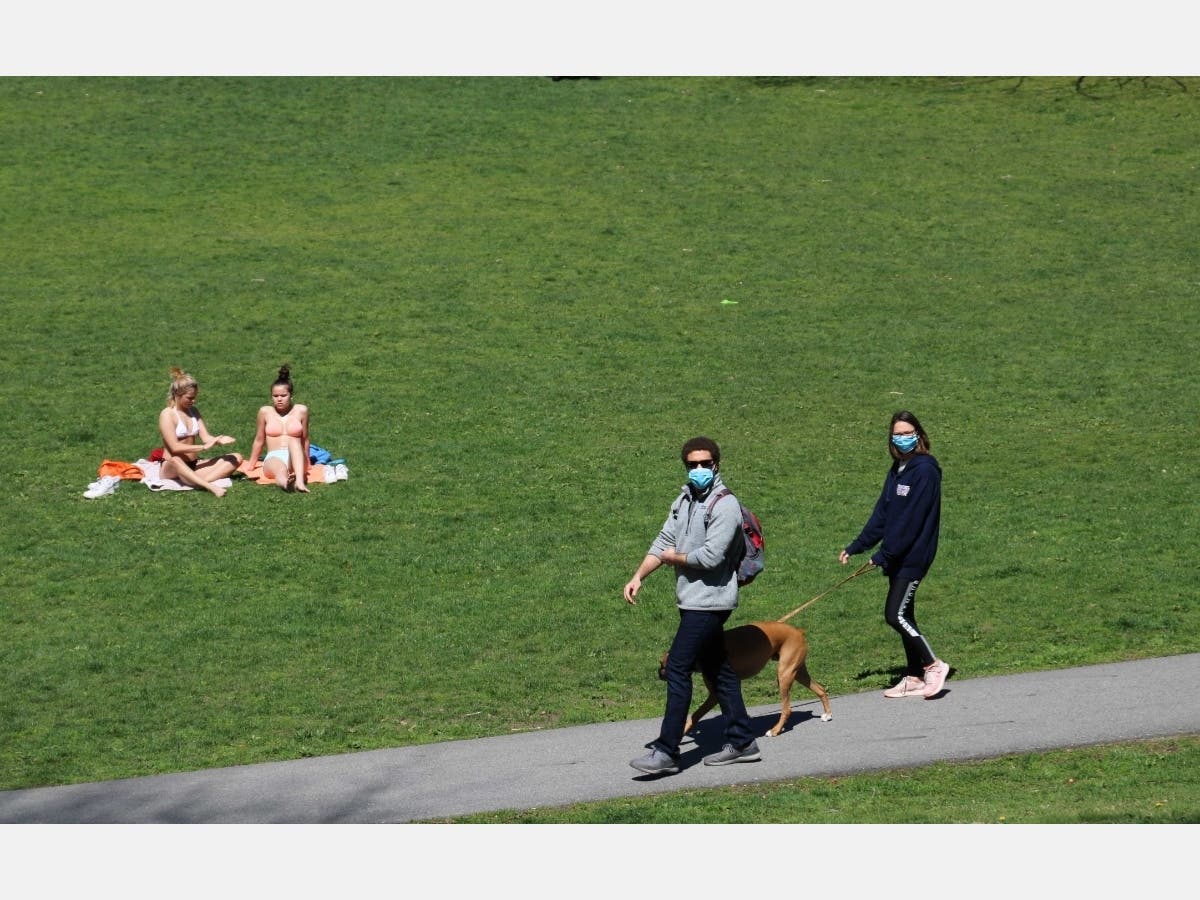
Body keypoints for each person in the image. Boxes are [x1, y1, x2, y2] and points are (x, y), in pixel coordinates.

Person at [624, 436, 760, 775]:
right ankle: (743, 741)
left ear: (716, 464)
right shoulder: (683, 500)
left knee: (678, 668)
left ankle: (667, 751)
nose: (698, 469)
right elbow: (663, 540)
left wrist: (674, 559)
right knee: (719, 670)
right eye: (692, 464)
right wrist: (639, 575)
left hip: (711, 602)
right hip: (691, 600)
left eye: (704, 463)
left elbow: (712, 556)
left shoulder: (725, 505)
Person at [839, 411, 950, 699]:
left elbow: (912, 521)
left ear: (919, 434)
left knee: (894, 614)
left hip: (913, 556)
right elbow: (884, 514)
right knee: (905, 614)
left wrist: (883, 555)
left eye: (907, 432)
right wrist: (857, 546)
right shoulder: (899, 468)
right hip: (898, 555)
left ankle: (933, 665)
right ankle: (913, 677)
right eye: (897, 434)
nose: (902, 438)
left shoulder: (925, 470)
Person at [157, 367, 243, 498]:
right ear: (177, 395)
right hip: (171, 467)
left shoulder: (193, 411)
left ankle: (197, 482)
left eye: (195, 397)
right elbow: (174, 447)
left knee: (236, 457)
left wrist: (218, 440)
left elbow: (206, 437)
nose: (193, 401)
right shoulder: (167, 414)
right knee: (175, 459)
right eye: (189, 398)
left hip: (193, 465)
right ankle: (210, 487)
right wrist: (202, 447)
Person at [243, 365, 311, 492]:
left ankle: (300, 482)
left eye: (283, 395)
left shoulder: (301, 410)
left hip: (296, 455)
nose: (279, 399)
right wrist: (251, 465)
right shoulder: (265, 412)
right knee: (280, 470)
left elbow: (305, 439)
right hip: (275, 456)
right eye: (275, 396)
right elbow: (259, 440)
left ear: (291, 395)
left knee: (294, 441)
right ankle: (286, 484)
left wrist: (309, 462)